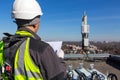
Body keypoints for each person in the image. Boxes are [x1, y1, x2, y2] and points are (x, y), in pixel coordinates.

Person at [0, 0, 66, 80]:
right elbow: (60, 77)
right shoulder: (42, 49)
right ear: (35, 24)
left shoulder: (2, 45)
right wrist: (60, 59)